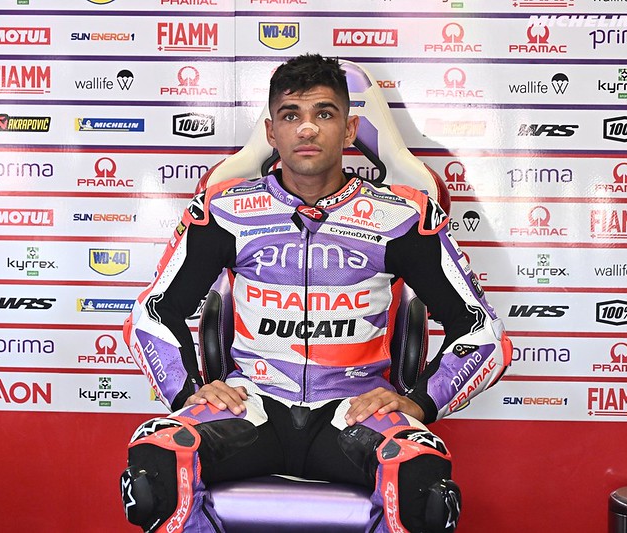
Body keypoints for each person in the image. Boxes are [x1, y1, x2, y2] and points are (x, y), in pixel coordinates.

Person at [120, 54, 511, 533]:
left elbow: (483, 332)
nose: (307, 129)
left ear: (349, 131)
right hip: (252, 405)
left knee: (422, 486)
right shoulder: (224, 210)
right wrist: (188, 392)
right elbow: (152, 314)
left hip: (354, 410)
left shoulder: (402, 216)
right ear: (271, 132)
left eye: (324, 114)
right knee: (155, 464)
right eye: (291, 115)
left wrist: (421, 403)